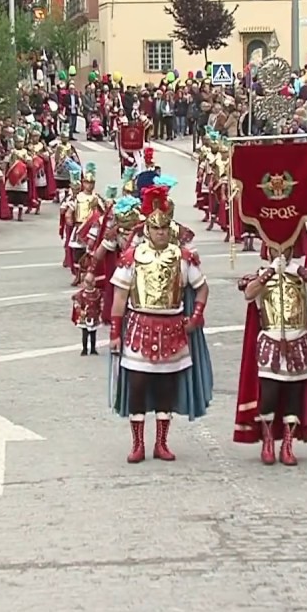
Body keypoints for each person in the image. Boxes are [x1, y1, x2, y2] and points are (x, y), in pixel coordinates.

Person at [108, 182, 213, 462]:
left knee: (166, 388)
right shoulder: (132, 257)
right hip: (140, 328)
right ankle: (138, 444)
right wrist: (115, 332)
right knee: (139, 387)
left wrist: (197, 315)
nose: (161, 232)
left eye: (165, 228)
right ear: (147, 230)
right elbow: (119, 297)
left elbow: (202, 287)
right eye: (156, 228)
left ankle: (162, 443)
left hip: (172, 329)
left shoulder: (182, 257)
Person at [233, 248, 307, 465]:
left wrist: (305, 273)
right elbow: (249, 293)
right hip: (271, 343)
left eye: (285, 249)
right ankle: (267, 441)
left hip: (298, 344)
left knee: (294, 396)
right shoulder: (260, 275)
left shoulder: (301, 275)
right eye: (276, 249)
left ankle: (287, 444)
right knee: (269, 396)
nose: (281, 253)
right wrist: (270, 272)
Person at [71, 272, 102, 356]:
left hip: (94, 315)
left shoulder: (97, 293)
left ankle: (93, 349)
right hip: (84, 317)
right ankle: (84, 349)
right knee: (85, 334)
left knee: (93, 334)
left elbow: (101, 303)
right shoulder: (80, 295)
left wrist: (101, 311)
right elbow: (76, 302)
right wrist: (80, 311)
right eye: (87, 282)